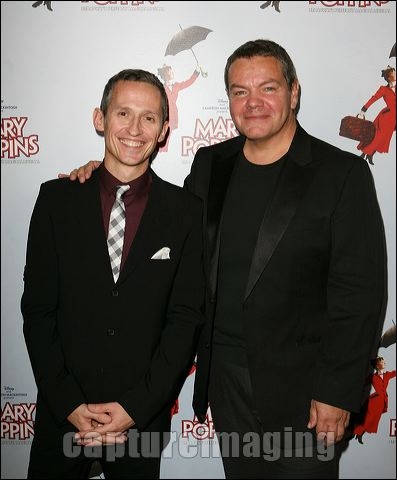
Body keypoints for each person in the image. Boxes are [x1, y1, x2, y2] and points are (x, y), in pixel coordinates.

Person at [64, 39, 387, 479]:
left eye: (267, 88)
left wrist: (337, 391)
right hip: (225, 380)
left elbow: (360, 293)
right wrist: (103, 181)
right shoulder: (211, 164)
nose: (253, 103)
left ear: (294, 93)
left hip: (306, 392)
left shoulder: (340, 175)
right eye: (239, 91)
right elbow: (161, 220)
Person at [21, 68, 205, 479]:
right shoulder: (56, 201)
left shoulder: (185, 213)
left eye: (149, 118)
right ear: (99, 119)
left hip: (139, 419)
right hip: (62, 413)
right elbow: (37, 310)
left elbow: (184, 320)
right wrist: (68, 403)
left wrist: (135, 408)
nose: (134, 129)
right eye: (123, 113)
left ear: (163, 130)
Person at [357, 65, 396, 165]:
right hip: (386, 117)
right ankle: (364, 154)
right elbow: (374, 98)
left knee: (384, 139)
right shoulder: (383, 89)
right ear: (388, 77)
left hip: (394, 119)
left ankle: (370, 154)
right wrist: (363, 110)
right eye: (393, 73)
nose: (395, 74)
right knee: (378, 136)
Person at [157, 64, 200, 152]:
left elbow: (188, 82)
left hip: (173, 115)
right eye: (170, 71)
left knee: (167, 137)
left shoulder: (176, 86)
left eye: (172, 71)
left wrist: (196, 72)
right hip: (164, 115)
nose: (172, 73)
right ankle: (162, 152)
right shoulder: (161, 87)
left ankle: (164, 152)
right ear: (165, 75)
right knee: (162, 136)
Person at [352, 356, 396, 444]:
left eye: (384, 362)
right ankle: (355, 432)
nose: (384, 364)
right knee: (368, 419)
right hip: (374, 402)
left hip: (382, 403)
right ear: (378, 365)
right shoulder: (373, 377)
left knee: (373, 421)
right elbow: (363, 382)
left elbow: (395, 373)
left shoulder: (387, 375)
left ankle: (358, 434)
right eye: (382, 362)